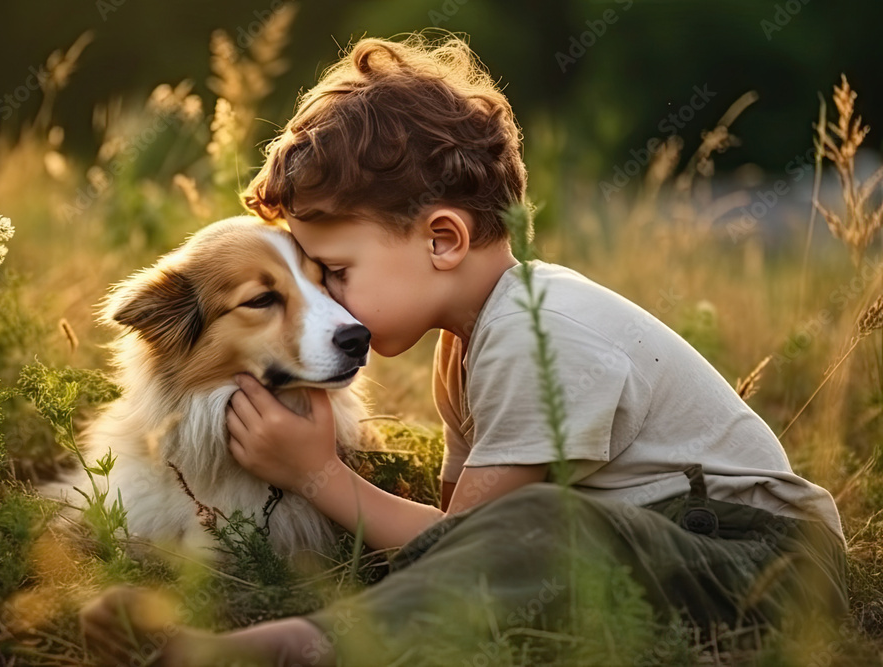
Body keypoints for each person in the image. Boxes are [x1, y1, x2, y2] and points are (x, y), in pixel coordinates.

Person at [80, 32, 848, 666]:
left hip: (768, 566)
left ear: (442, 238)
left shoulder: (538, 332)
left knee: (549, 524)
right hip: (656, 556)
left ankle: (297, 648)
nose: (329, 306)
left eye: (336, 273)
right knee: (538, 538)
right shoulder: (468, 346)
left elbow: (465, 538)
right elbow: (456, 549)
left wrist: (315, 475)